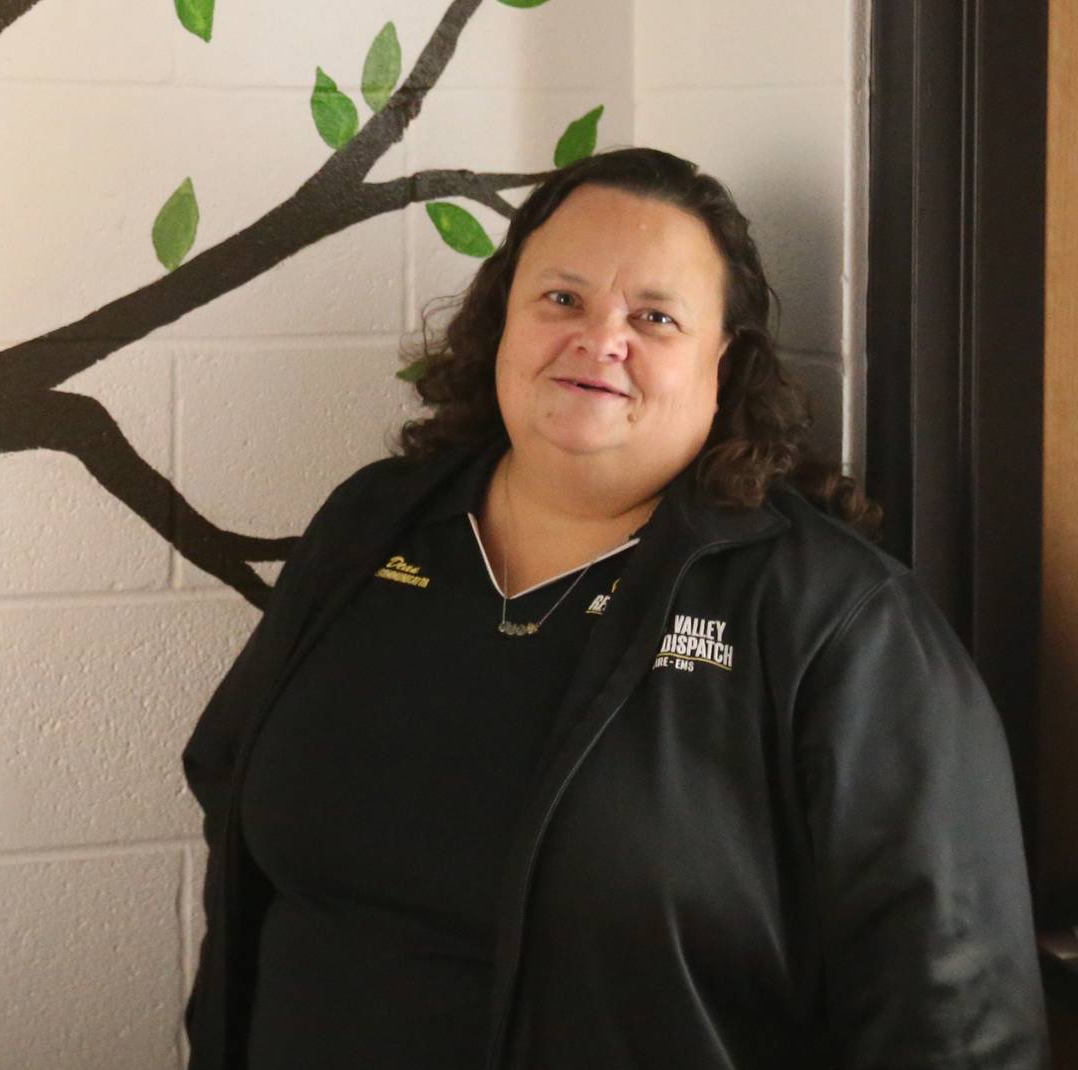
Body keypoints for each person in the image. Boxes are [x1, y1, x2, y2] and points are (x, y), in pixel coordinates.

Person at [181, 147, 1048, 1069]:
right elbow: (231, 786)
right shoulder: (373, 521)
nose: (600, 340)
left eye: (655, 317)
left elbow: (958, 1026)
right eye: (562, 299)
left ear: (725, 363)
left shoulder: (837, 620)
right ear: (503, 316)